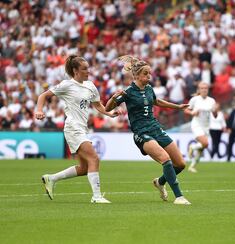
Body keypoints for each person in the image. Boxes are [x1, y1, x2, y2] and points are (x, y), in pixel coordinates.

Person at [105, 55, 191, 205]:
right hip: (141, 133)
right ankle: (179, 196)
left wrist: (177, 107)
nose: (149, 77)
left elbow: (157, 101)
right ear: (137, 75)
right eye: (146, 74)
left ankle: (160, 182)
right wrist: (113, 98)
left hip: (156, 128)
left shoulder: (150, 88)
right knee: (165, 159)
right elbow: (107, 108)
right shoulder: (128, 92)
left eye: (150, 73)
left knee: (181, 164)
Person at [35, 55, 119, 203]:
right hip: (73, 128)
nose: (88, 71)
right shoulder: (67, 85)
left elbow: (98, 105)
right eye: (84, 69)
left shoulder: (90, 86)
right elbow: (43, 96)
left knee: (84, 168)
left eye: (88, 68)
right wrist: (39, 110)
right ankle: (97, 196)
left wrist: (109, 113)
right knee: (94, 158)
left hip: (82, 128)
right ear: (75, 70)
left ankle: (51, 178)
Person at [185, 82, 216, 173]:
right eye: (202, 88)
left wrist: (215, 111)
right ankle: (192, 147)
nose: (204, 90)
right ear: (199, 90)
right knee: (205, 143)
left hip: (206, 126)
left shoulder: (212, 101)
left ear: (208, 90)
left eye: (206, 88)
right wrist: (192, 113)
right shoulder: (194, 99)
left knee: (201, 148)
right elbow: (185, 110)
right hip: (196, 125)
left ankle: (192, 166)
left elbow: (214, 114)